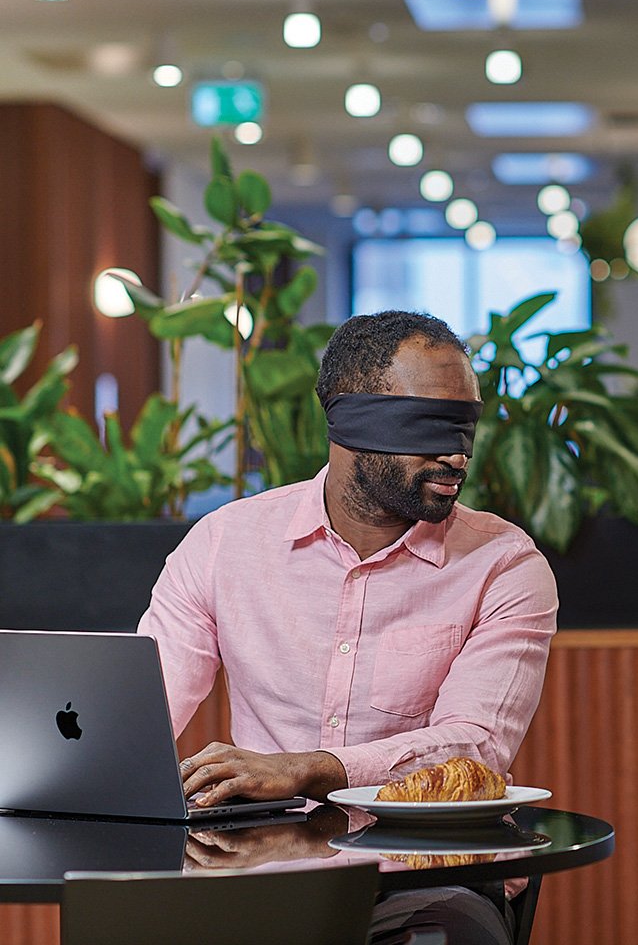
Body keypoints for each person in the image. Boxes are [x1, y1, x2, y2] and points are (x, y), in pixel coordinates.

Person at [138, 310, 558, 941]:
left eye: (466, 427)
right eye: (429, 426)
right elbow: (138, 712)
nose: (456, 454)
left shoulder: (504, 565)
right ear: (350, 421)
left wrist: (312, 767)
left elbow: (474, 745)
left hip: (427, 875)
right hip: (253, 873)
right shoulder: (225, 545)